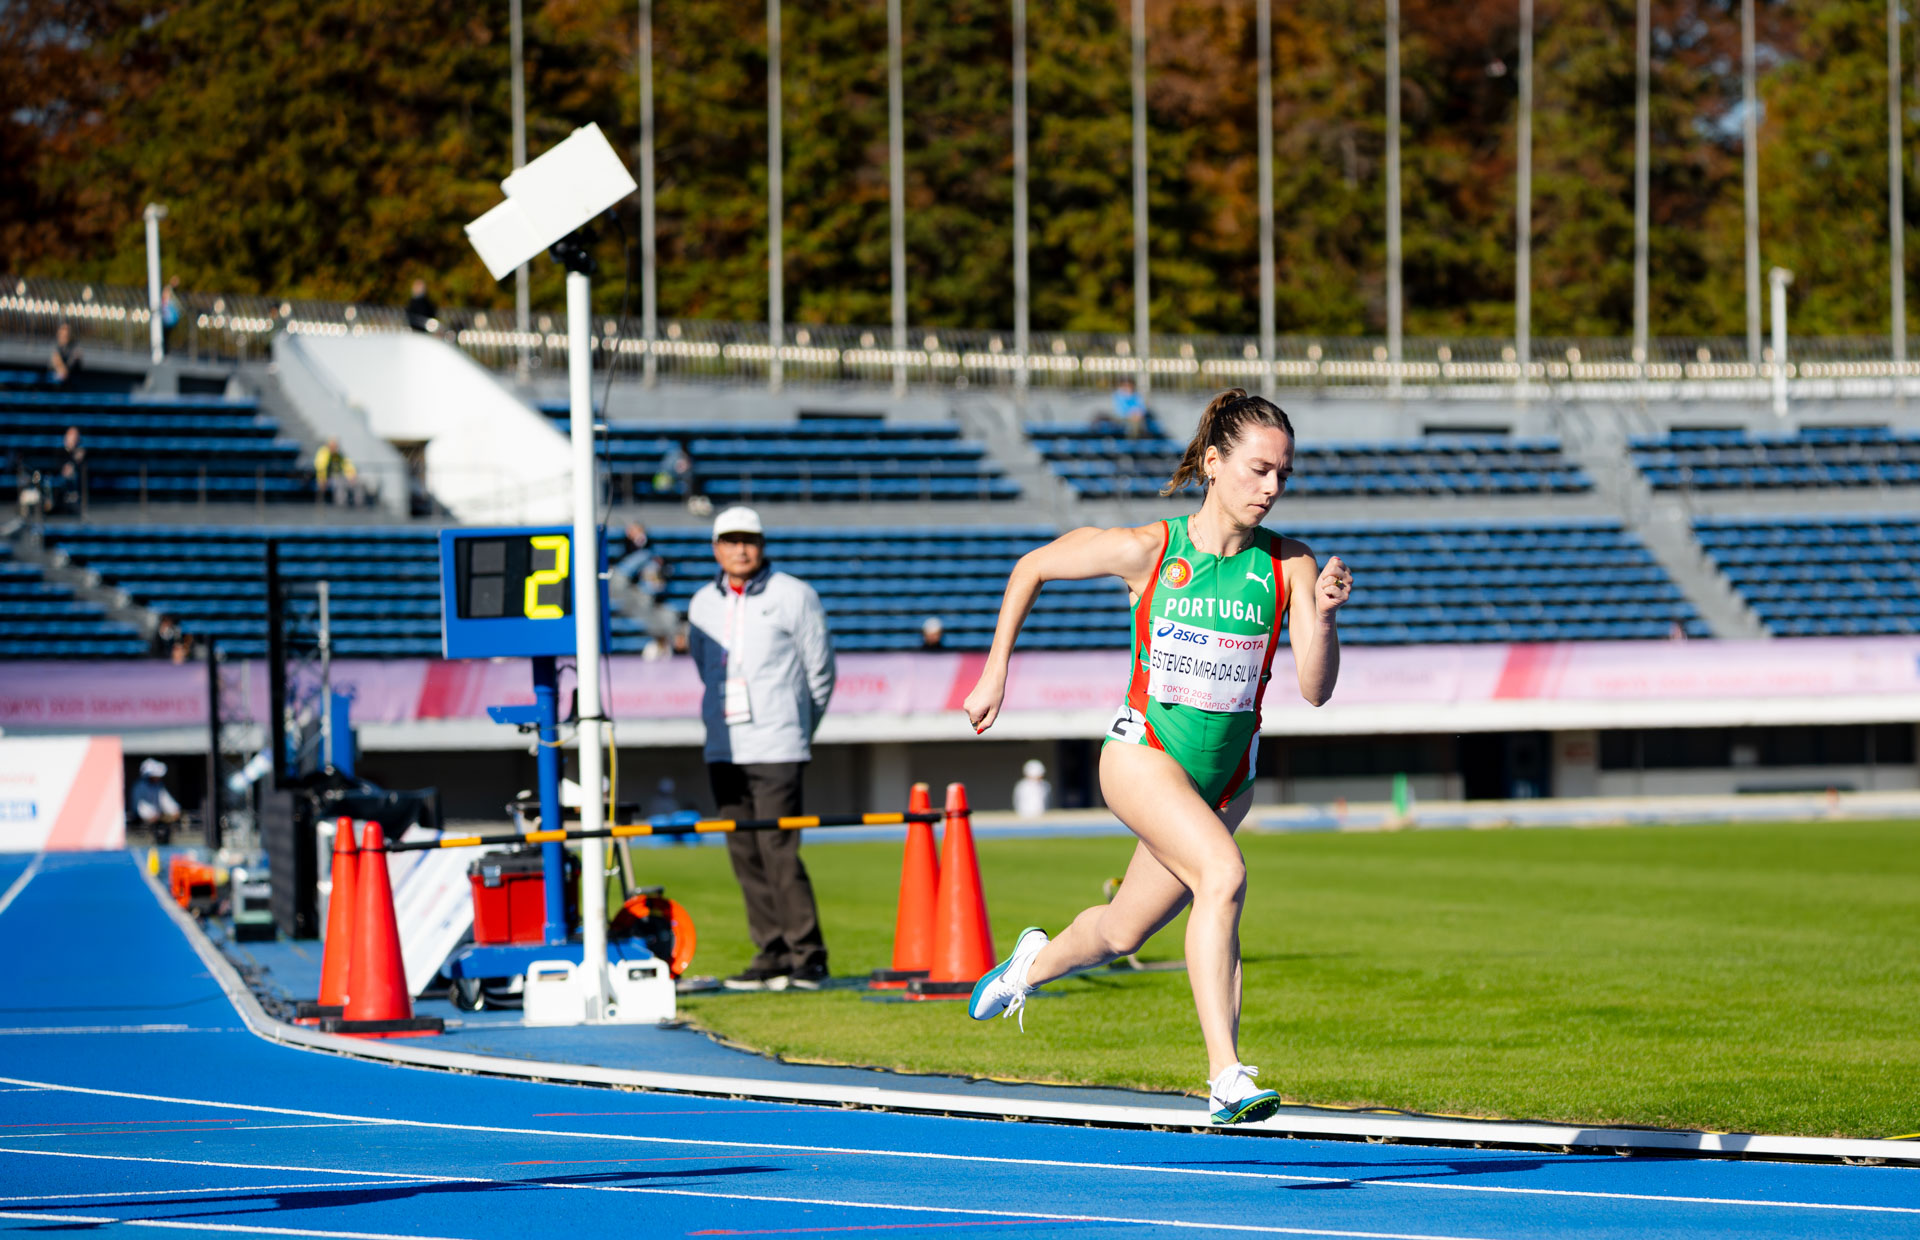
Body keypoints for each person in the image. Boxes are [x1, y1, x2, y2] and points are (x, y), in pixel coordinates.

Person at [961, 388, 1352, 1127]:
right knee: (1223, 876)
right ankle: (1226, 1075)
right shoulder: (1151, 549)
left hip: (1225, 783)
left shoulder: (1291, 564)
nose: (1272, 487)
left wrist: (1325, 619)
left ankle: (1030, 964)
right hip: (1141, 755)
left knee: (1121, 932)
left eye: (1283, 474)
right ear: (1213, 462)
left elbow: (1315, 689)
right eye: (1258, 469)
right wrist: (994, 672)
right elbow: (1031, 567)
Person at [687, 506, 837, 991]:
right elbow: (703, 667)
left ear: (762, 544)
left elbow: (820, 671)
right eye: (730, 541)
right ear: (716, 549)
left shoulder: (794, 594)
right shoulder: (701, 603)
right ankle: (771, 952)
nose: (740, 549)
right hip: (724, 745)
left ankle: (808, 956)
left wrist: (798, 729)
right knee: (744, 853)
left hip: (778, 743)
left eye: (748, 540)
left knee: (779, 850)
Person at [131, 758, 183, 845]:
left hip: (157, 820)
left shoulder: (158, 786)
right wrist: (151, 816)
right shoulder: (139, 787)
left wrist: (175, 810)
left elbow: (166, 801)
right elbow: (139, 807)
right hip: (142, 823)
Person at [315, 438, 360, 506]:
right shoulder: (323, 453)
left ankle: (357, 504)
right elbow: (320, 466)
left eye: (335, 446)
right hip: (326, 477)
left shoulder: (339, 455)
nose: (335, 448)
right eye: (333, 446)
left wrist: (351, 474)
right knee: (339, 483)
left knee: (357, 483)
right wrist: (322, 478)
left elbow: (347, 465)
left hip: (337, 476)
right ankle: (340, 504)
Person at [54, 426, 85, 514]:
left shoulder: (80, 452)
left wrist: (76, 461)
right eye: (72, 437)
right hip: (61, 477)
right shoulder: (60, 451)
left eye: (76, 437)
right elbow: (58, 466)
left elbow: (83, 467)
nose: (74, 439)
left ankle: (73, 499)